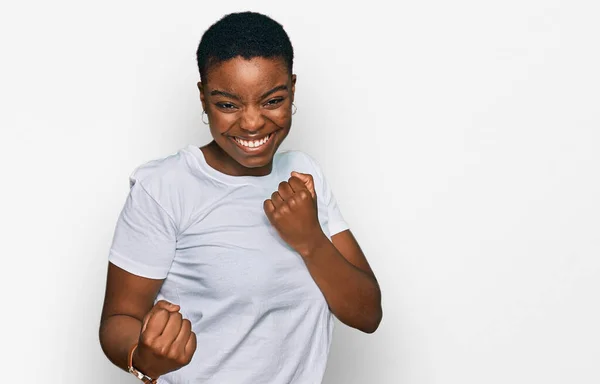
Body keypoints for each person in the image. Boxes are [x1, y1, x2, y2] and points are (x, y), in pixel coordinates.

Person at [99, 11, 382, 384]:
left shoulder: (304, 175)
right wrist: (144, 358)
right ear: (203, 98)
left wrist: (310, 240)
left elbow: (367, 314)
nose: (251, 123)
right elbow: (119, 319)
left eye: (272, 100)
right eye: (228, 105)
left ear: (292, 89)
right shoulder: (165, 187)